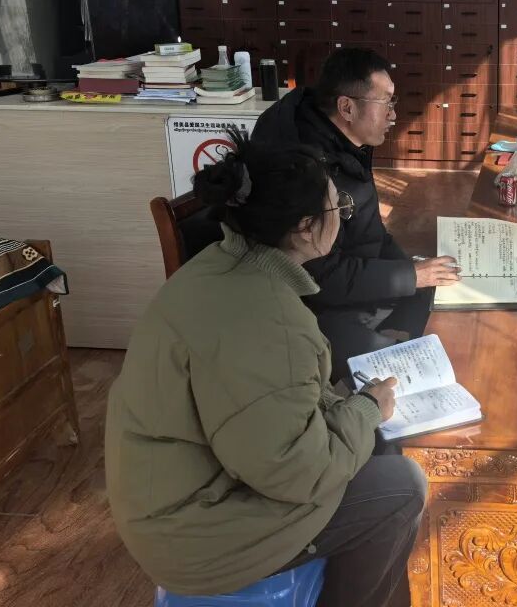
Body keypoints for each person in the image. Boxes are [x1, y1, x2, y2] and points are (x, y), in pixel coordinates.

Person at [105, 130, 426, 607]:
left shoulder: (222, 265)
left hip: (176, 494)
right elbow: (298, 473)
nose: (342, 217)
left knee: (372, 446)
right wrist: (364, 410)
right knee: (401, 488)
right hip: (198, 535)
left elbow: (266, 413)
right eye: (339, 208)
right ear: (305, 228)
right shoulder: (267, 320)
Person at [252, 47, 459, 377]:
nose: (393, 115)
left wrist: (413, 272)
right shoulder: (301, 165)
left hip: (350, 283)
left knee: (435, 299)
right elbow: (317, 276)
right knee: (408, 370)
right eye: (386, 103)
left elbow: (369, 228)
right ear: (346, 107)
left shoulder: (341, 138)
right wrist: (411, 275)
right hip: (308, 307)